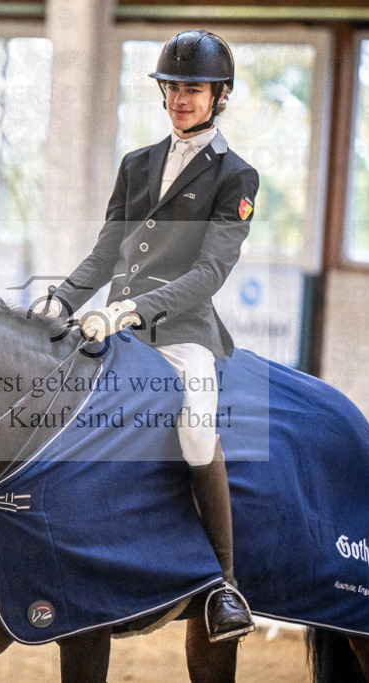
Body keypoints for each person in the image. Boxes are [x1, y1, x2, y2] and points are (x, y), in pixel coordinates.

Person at [35, 29, 258, 642]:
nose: (181, 98)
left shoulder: (236, 177)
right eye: (173, 88)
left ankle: (223, 586)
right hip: (111, 323)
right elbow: (106, 252)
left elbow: (208, 273)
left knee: (193, 426)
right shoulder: (137, 164)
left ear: (219, 96)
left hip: (182, 332)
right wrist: (60, 298)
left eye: (194, 88)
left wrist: (131, 309)